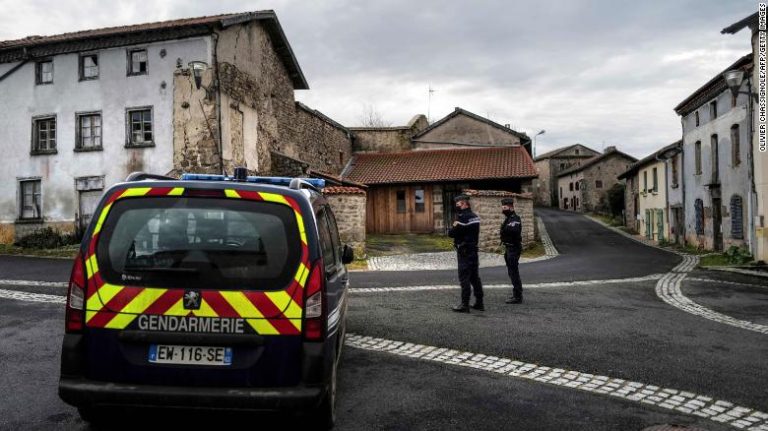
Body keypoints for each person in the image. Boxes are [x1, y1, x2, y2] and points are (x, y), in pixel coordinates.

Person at [448, 194, 484, 312]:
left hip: (464, 252)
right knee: (475, 278)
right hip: (473, 250)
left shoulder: (462, 218)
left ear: (463, 204)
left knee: (464, 278)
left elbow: (452, 233)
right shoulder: (475, 217)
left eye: (458, 204)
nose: (456, 206)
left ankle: (464, 305)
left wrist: (453, 227)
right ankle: (479, 302)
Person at [500, 197, 523, 304]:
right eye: (502, 207)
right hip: (509, 248)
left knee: (513, 272)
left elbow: (513, 230)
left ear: (511, 207)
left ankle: (517, 296)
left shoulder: (515, 218)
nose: (503, 209)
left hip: (514, 248)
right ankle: (517, 293)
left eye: (504, 207)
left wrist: (505, 230)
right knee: (511, 272)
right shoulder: (508, 219)